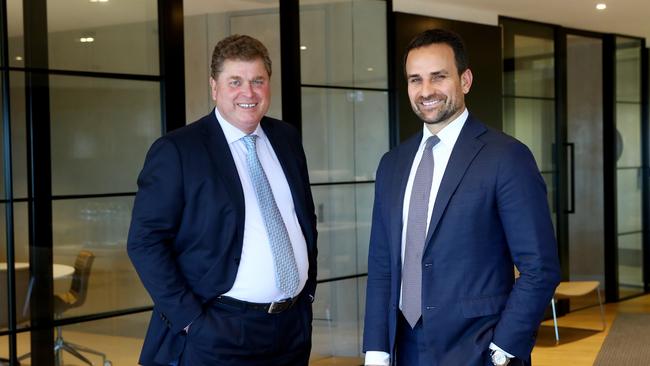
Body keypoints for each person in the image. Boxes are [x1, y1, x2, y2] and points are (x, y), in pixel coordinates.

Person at [363, 29, 561, 366]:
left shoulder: (506, 156)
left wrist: (504, 349)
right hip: (404, 346)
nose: (426, 91)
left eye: (438, 77)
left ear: (465, 80)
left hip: (479, 348)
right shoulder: (392, 164)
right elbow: (382, 266)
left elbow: (539, 267)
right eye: (415, 80)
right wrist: (376, 350)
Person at [127, 34, 317, 366]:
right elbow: (145, 241)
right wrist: (191, 321)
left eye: (258, 80)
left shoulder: (286, 138)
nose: (249, 92)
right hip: (219, 330)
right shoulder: (178, 150)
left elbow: (303, 219)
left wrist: (307, 293)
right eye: (236, 82)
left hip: (291, 327)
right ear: (215, 88)